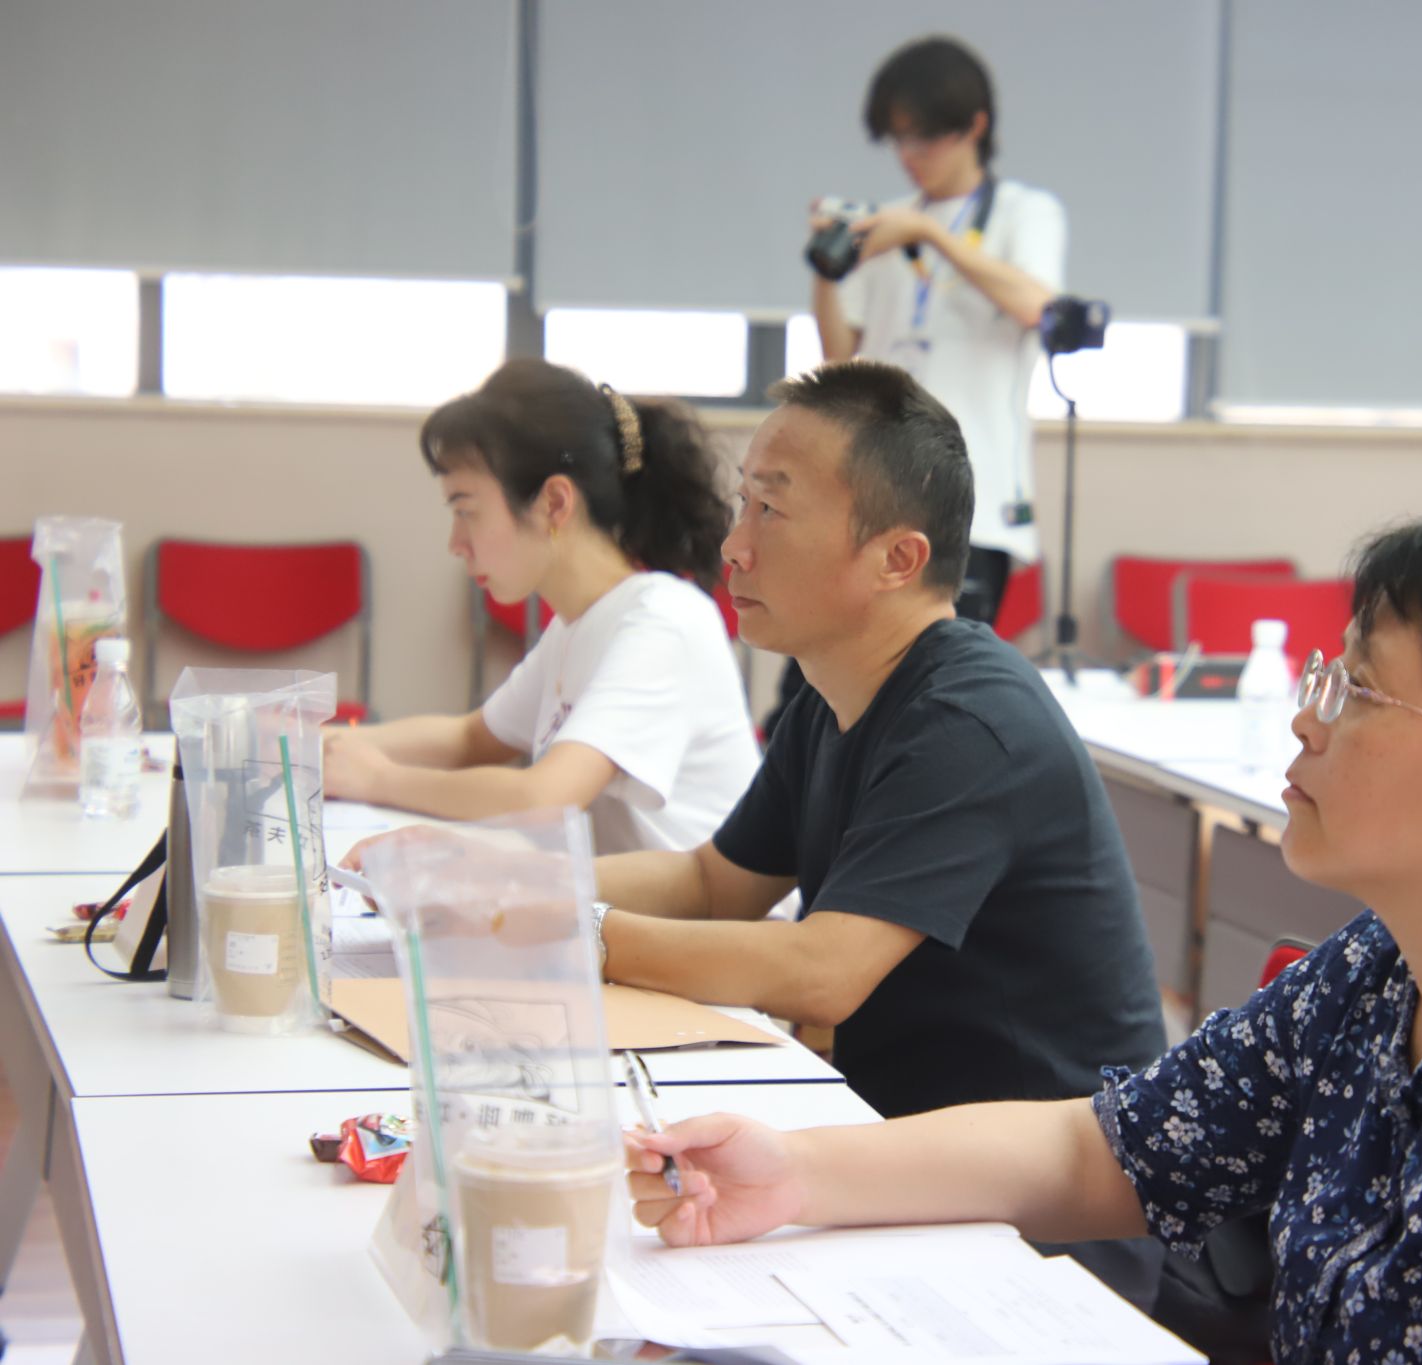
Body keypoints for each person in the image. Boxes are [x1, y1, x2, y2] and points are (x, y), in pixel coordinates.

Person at [624, 514, 1422, 1364]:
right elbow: (1101, 1147)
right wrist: (797, 1176)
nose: (1303, 719)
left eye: (1355, 691)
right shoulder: (1392, 963)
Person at [593, 359, 1167, 1305]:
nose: (734, 546)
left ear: (897, 559)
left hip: (1041, 1231)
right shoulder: (835, 692)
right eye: (742, 505)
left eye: (771, 511)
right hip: (894, 1160)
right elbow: (712, 882)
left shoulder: (968, 720)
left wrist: (578, 936)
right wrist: (522, 885)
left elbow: (824, 970)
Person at [321, 359, 758, 855]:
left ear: (554, 504)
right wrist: (328, 747)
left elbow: (543, 799)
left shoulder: (661, 622)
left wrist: (378, 779)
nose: (455, 543)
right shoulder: (578, 625)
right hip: (626, 899)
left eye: (467, 511)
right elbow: (471, 738)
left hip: (704, 908)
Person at [809, 34, 1065, 624]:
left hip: (974, 498)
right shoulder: (888, 221)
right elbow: (839, 358)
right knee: (826, 663)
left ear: (974, 125)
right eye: (897, 138)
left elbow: (1037, 307)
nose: (908, 154)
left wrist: (930, 235)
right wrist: (826, 269)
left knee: (935, 669)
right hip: (875, 490)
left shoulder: (1024, 212)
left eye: (923, 136)